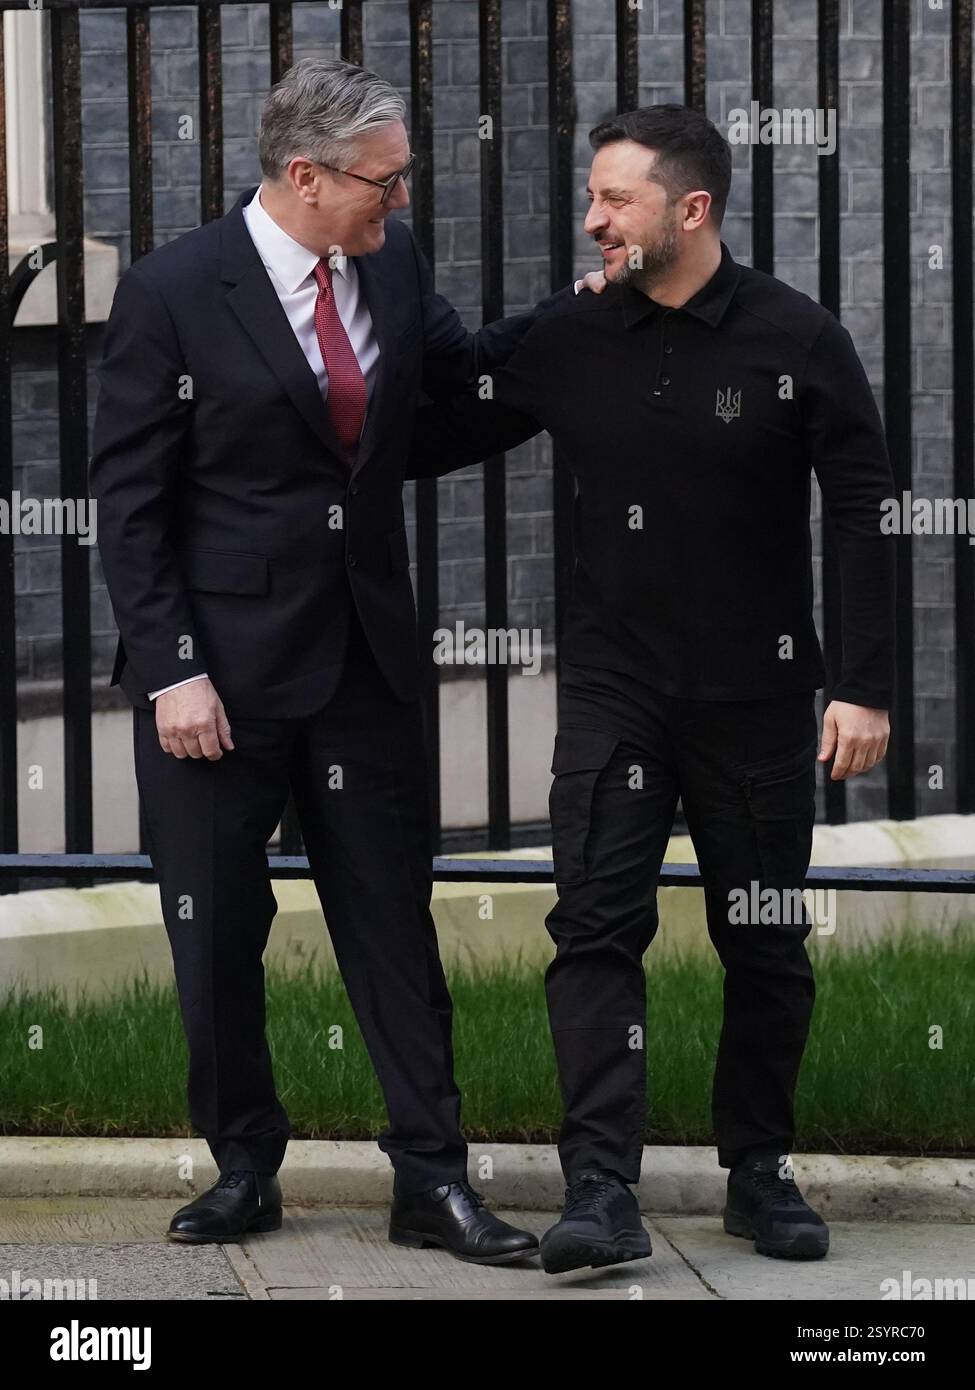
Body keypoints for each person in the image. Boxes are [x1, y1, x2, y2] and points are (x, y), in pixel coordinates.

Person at [89, 55, 590, 1264]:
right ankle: (244, 1166)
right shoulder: (172, 293)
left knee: (392, 930)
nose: (401, 202)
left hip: (361, 666)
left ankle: (432, 1180)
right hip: (218, 684)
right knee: (214, 933)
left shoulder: (387, 263)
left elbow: (436, 406)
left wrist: (565, 339)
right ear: (304, 176)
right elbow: (128, 501)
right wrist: (171, 670)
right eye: (386, 180)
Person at [407, 103, 895, 1274]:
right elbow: (443, 413)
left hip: (758, 701)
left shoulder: (797, 338)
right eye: (594, 196)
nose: (592, 218)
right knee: (594, 934)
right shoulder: (575, 334)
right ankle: (600, 1190)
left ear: (692, 209)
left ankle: (760, 1173)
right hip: (617, 692)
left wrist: (863, 687)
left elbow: (864, 510)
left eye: (614, 199)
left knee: (765, 941)